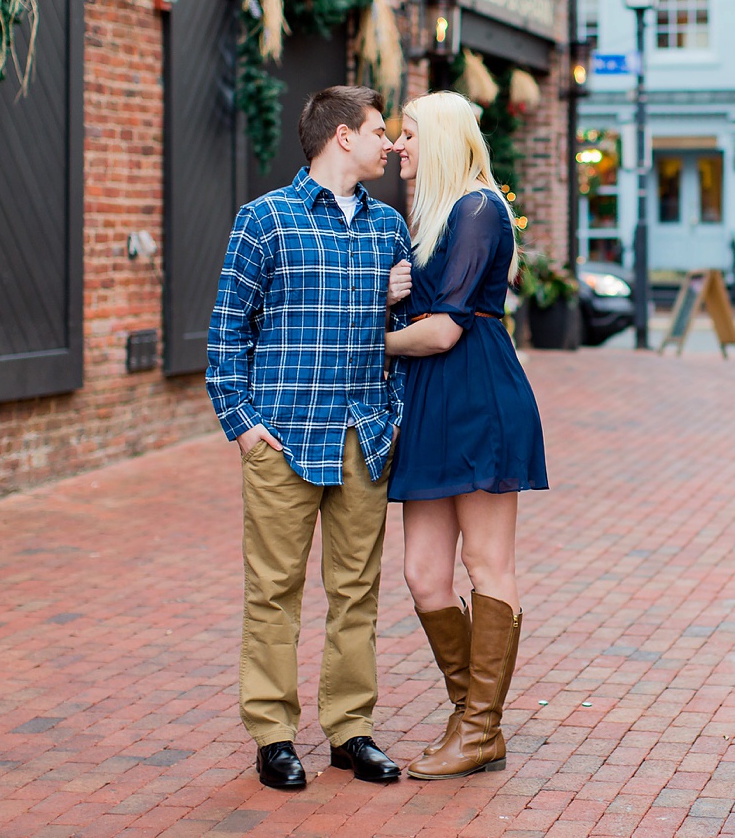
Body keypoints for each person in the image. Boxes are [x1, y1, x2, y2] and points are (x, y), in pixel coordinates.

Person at [206, 85, 415, 789]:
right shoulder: (264, 220)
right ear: (343, 136)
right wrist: (243, 425)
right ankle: (272, 735)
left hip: (364, 434)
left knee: (356, 591)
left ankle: (351, 730)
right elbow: (226, 333)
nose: (390, 143)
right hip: (284, 439)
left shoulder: (388, 227)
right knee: (274, 588)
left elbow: (408, 323)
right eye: (380, 130)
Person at [383, 91, 549, 780]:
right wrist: (395, 293)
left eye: (410, 133)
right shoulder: (427, 216)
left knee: (488, 565)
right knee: (424, 574)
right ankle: (469, 712)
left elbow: (447, 326)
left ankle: (480, 728)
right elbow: (426, 305)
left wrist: (370, 343)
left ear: (445, 138)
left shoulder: (478, 207)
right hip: (431, 399)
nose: (397, 146)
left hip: (477, 392)